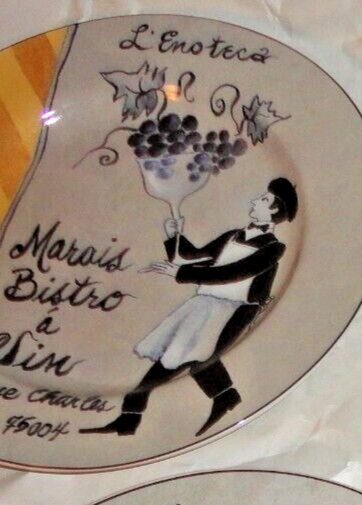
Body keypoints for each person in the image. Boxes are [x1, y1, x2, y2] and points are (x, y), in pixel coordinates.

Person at [82, 177, 298, 439]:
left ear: (274, 209)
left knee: (182, 359)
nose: (254, 201)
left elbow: (233, 272)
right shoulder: (233, 235)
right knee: (188, 359)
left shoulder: (274, 248)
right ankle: (224, 397)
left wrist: (181, 273)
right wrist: (174, 236)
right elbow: (192, 256)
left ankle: (132, 415)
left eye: (263, 199)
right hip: (206, 305)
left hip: (235, 310)